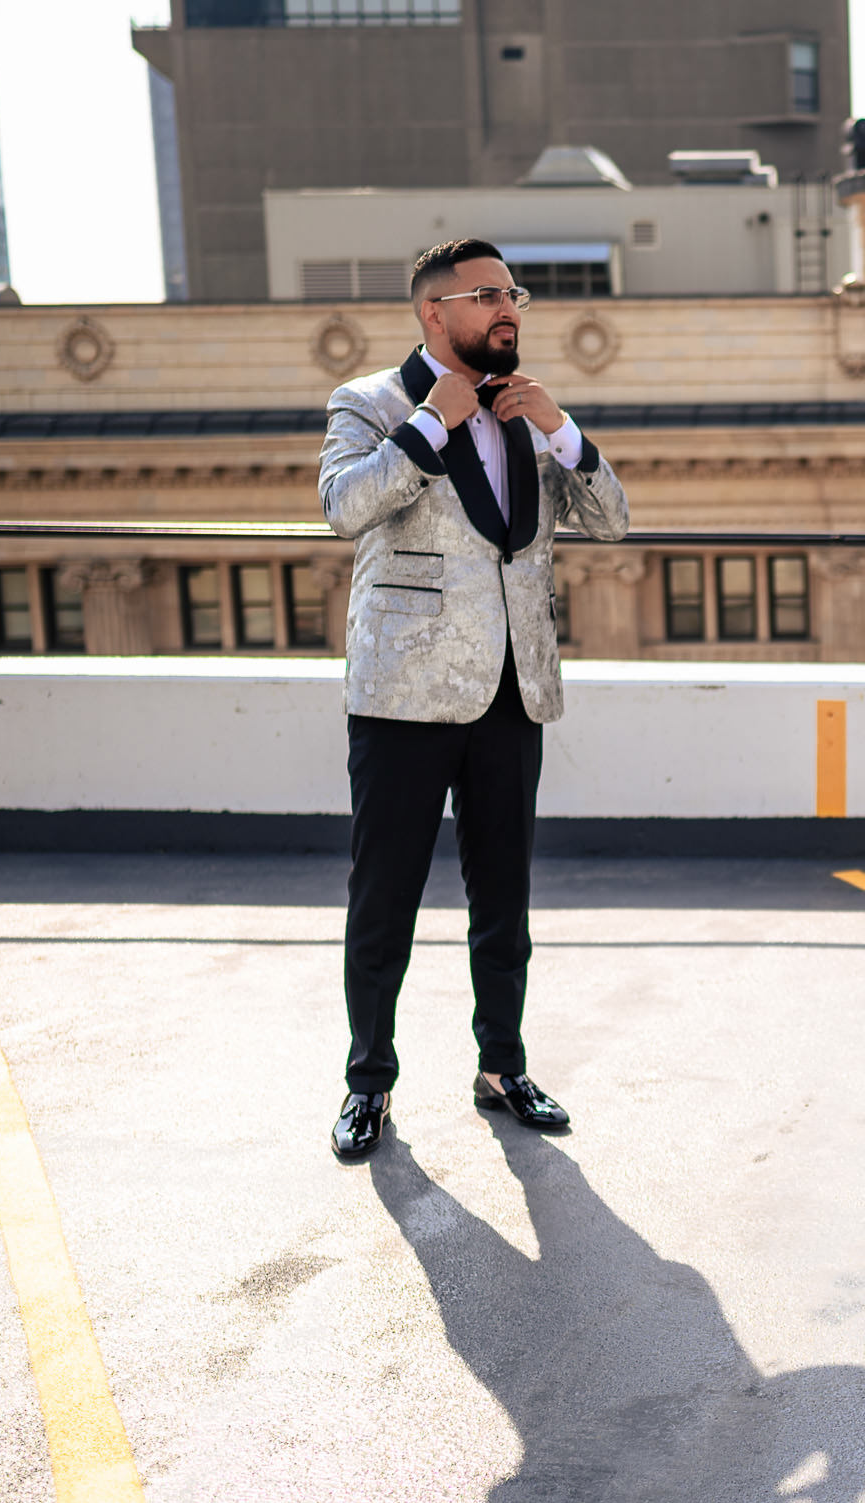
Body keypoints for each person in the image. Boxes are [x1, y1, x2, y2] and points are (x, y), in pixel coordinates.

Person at [319, 238, 630, 1161]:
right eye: (486, 295)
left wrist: (564, 430)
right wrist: (429, 424)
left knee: (504, 899)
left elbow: (613, 520)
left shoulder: (528, 413)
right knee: (386, 901)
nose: (507, 310)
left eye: (512, 294)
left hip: (512, 692)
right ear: (434, 313)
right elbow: (343, 507)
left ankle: (503, 1066)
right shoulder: (369, 403)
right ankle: (367, 1082)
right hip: (402, 698)